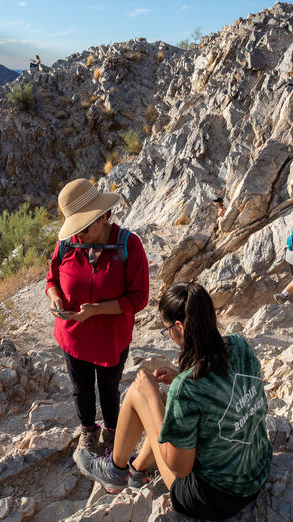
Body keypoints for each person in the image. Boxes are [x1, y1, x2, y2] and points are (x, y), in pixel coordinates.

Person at [77, 282, 271, 520]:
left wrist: (154, 400)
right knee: (169, 406)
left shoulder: (187, 388)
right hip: (256, 470)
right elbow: (221, 389)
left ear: (179, 326)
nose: (168, 333)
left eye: (167, 328)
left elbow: (179, 467)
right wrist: (180, 376)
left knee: (141, 393)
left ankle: (115, 470)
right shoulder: (239, 345)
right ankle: (136, 471)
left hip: (215, 497)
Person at [46, 179, 149, 458]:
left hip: (110, 338)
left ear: (103, 216)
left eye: (86, 226)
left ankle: (112, 433)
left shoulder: (129, 245)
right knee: (81, 388)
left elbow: (138, 298)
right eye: (77, 227)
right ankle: (88, 432)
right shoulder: (68, 244)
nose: (80, 233)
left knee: (108, 388)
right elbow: (51, 279)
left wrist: (96, 310)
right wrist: (55, 298)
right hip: (73, 335)